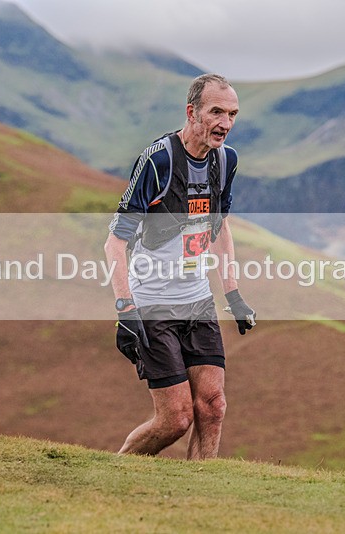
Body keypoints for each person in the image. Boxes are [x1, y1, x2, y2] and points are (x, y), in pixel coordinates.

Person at [104, 73, 256, 460]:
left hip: (197, 301)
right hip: (152, 304)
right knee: (175, 419)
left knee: (213, 406)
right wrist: (125, 309)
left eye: (233, 114)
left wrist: (233, 294)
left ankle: (200, 497)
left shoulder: (227, 160)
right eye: (216, 112)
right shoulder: (159, 160)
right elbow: (115, 242)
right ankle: (118, 469)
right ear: (192, 112)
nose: (225, 123)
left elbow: (219, 228)